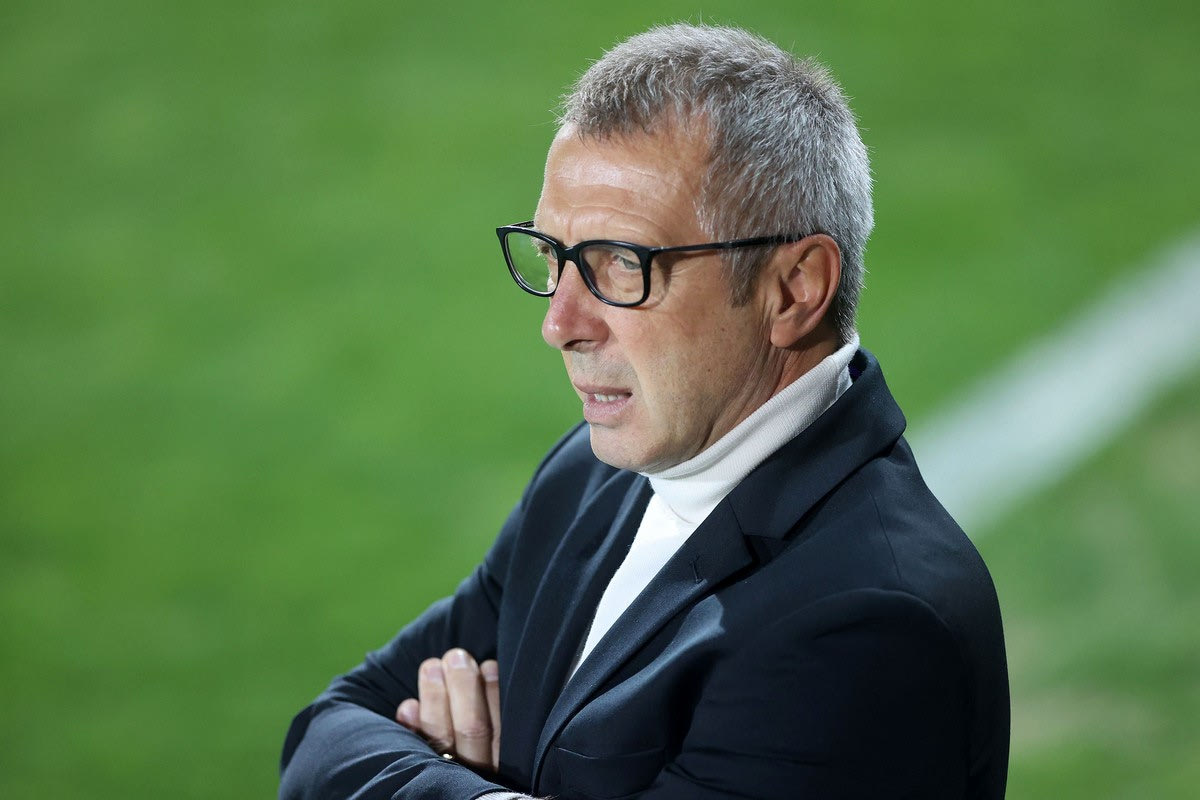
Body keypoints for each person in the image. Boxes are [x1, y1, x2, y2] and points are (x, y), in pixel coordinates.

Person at [279, 23, 1009, 800]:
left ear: (794, 289)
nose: (560, 324)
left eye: (621, 265)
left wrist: (457, 781)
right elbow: (326, 738)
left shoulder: (867, 624)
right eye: (553, 256)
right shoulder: (589, 475)